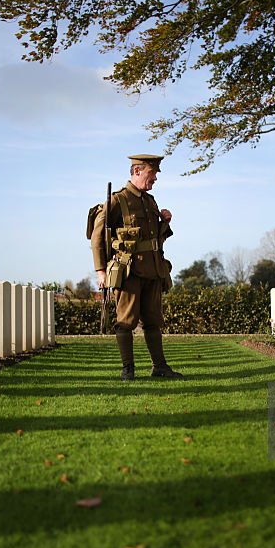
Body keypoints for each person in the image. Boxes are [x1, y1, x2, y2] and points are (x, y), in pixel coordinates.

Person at [91, 154, 183, 380]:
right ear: (137, 172)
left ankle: (159, 367)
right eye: (152, 175)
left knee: (153, 320)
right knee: (126, 321)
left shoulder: (150, 201)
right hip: (129, 271)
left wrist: (165, 223)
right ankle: (128, 369)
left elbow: (155, 239)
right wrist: (101, 271)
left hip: (153, 270)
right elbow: (97, 238)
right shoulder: (117, 201)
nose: (155, 180)